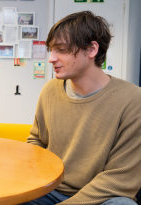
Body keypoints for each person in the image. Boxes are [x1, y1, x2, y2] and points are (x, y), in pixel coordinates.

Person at [24, 11, 141, 205]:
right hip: (51, 190)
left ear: (92, 49)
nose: (51, 58)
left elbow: (120, 178)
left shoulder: (133, 99)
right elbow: (37, 141)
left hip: (103, 197)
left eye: (61, 49)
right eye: (51, 50)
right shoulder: (50, 90)